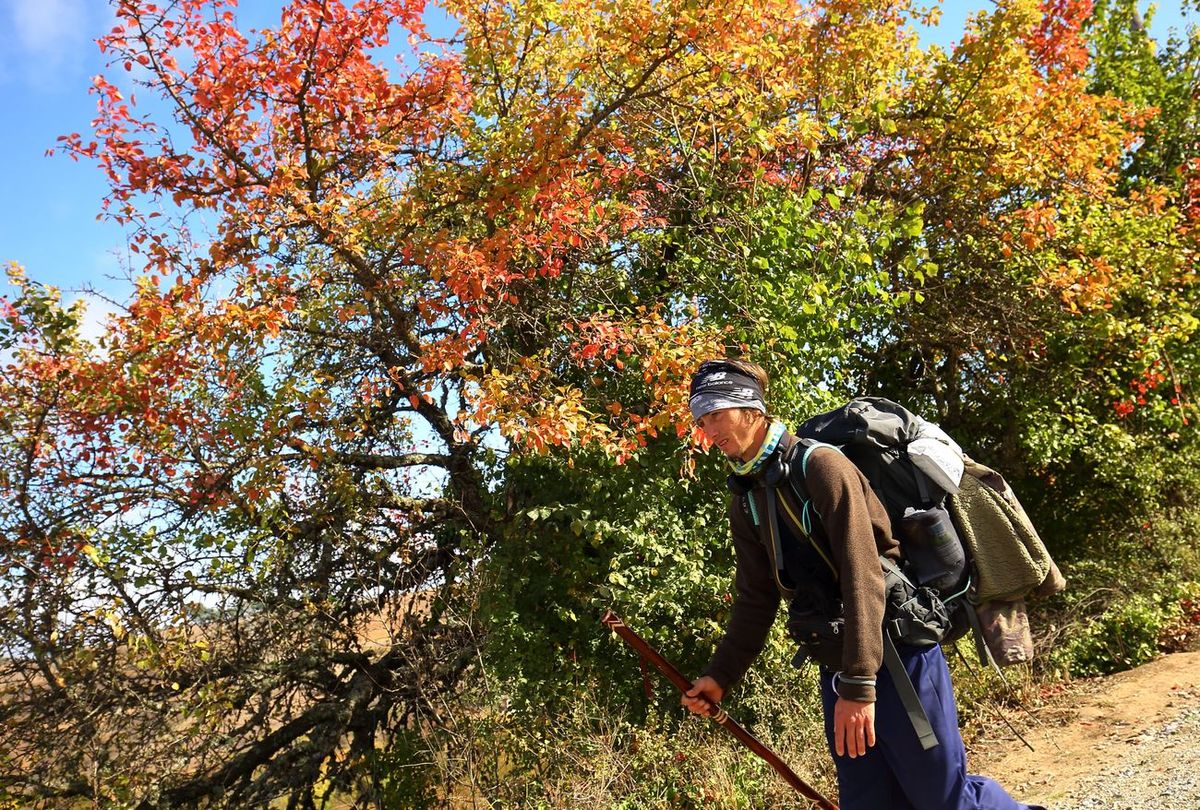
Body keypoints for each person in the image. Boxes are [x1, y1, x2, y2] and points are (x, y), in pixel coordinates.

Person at [681, 358, 1043, 810]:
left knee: (942, 802)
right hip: (840, 664)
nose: (709, 430)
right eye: (701, 419)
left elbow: (863, 573)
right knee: (870, 803)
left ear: (751, 409)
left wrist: (859, 684)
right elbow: (757, 598)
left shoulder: (822, 468)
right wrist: (720, 676)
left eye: (717, 414)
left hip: (897, 657)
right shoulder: (749, 497)